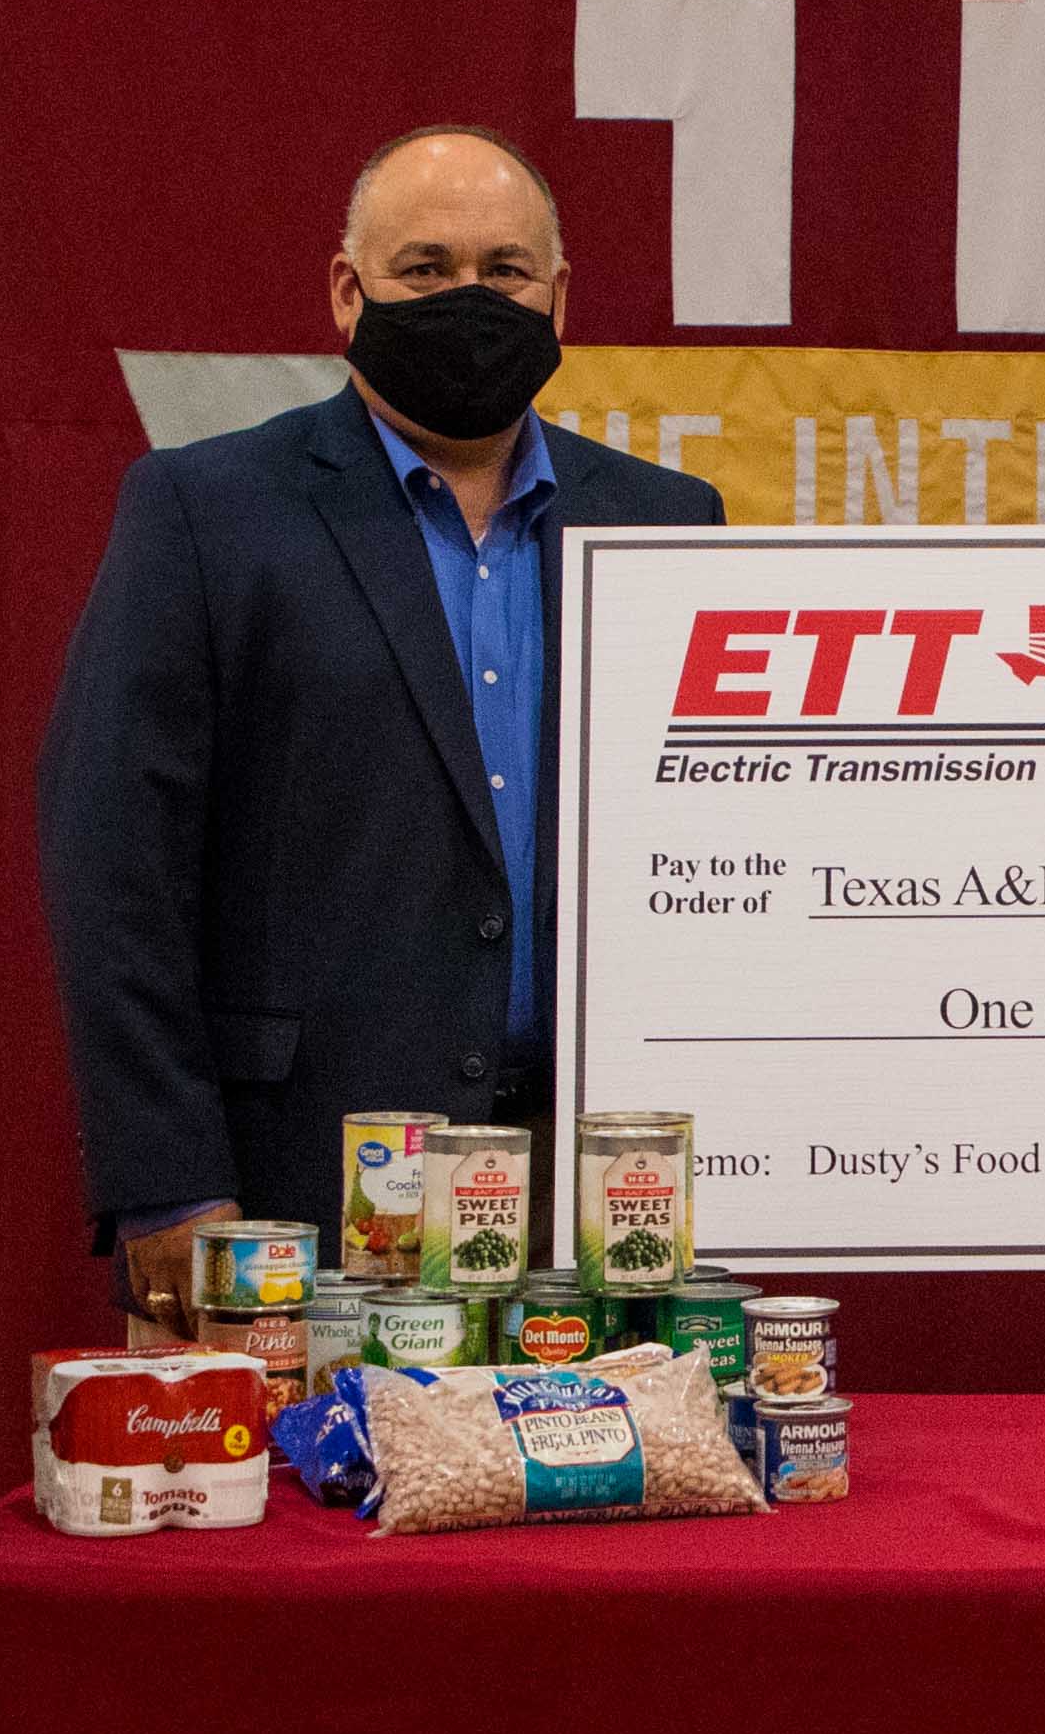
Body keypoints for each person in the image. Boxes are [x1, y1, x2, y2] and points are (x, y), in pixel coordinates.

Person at [40, 125, 721, 1294]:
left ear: (558, 297)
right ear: (349, 294)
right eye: (425, 268)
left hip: (600, 1197)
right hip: (289, 1191)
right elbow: (114, 863)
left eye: (504, 271)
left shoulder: (667, 522)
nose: (469, 298)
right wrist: (169, 1179)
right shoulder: (206, 511)